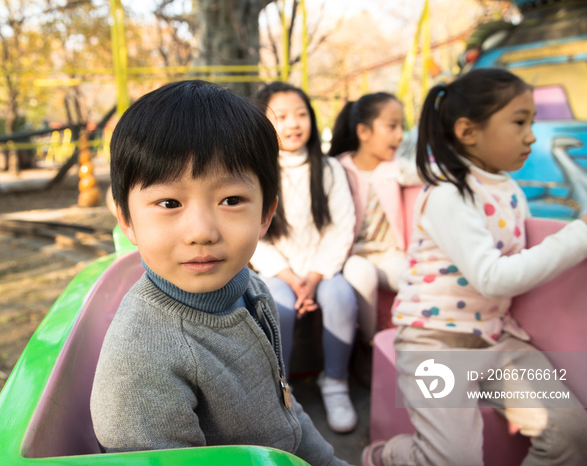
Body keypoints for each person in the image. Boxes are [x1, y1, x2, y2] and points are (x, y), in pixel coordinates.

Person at [90, 80, 348, 466]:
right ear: (126, 218)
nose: (201, 232)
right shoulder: (140, 365)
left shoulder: (251, 288)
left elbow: (285, 407)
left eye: (231, 200)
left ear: (265, 214)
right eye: (169, 202)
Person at [362, 68, 587, 466]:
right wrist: (579, 234)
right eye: (520, 122)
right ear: (468, 132)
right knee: (454, 458)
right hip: (435, 342)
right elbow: (493, 278)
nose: (532, 135)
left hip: (498, 338)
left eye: (532, 122)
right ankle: (387, 455)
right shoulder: (450, 193)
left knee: (571, 432)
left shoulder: (510, 190)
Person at [250, 82, 358, 434]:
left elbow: (341, 228)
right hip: (276, 272)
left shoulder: (328, 169)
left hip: (321, 269)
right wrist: (288, 277)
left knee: (341, 295)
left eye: (300, 114)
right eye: (280, 117)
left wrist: (312, 278)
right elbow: (253, 234)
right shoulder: (256, 170)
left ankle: (336, 382)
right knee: (275, 303)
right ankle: (282, 392)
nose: (293, 124)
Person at [330, 93, 419, 345]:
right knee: (362, 274)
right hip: (351, 256)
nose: (400, 135)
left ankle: (407, 341)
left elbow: (428, 172)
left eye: (402, 126)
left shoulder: (395, 168)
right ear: (364, 132)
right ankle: (369, 342)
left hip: (389, 254)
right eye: (392, 126)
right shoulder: (338, 169)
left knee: (412, 278)